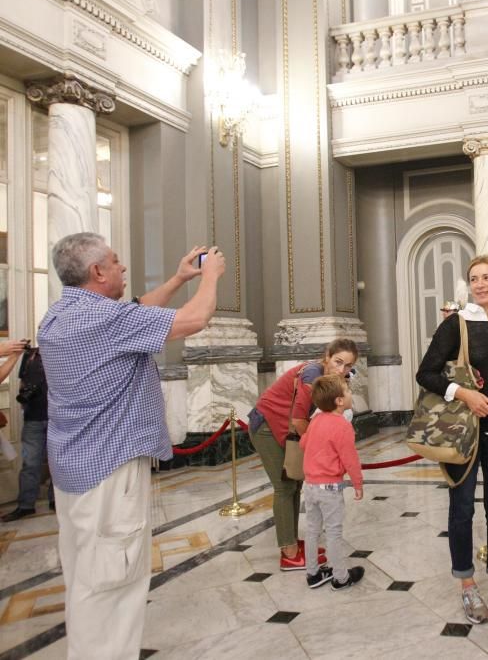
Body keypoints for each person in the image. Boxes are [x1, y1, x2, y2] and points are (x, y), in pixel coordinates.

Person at [39, 232, 224, 659]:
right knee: (114, 582)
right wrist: (209, 276)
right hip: (110, 471)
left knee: (87, 575)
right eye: (116, 261)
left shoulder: (60, 316)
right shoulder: (103, 322)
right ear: (97, 271)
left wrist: (178, 279)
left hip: (75, 472)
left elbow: (136, 313)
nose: (123, 268)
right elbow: (195, 320)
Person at [416, 255, 488, 624]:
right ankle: (466, 584)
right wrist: (465, 395)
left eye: (487, 277)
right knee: (462, 508)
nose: (480, 284)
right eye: (474, 278)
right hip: (463, 434)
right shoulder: (457, 324)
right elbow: (425, 373)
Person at [248, 338, 359, 570]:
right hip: (267, 426)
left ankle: (291, 541)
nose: (342, 370)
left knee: (295, 484)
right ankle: (288, 553)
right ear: (326, 356)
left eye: (348, 366)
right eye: (338, 362)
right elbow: (299, 419)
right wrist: (321, 447)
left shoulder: (331, 378)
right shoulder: (311, 376)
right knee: (284, 487)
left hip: (287, 430)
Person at [300, 375, 366, 591]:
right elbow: (350, 459)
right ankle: (340, 577)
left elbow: (303, 443)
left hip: (310, 486)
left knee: (312, 531)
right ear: (339, 401)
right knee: (334, 533)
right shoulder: (342, 426)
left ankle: (313, 574)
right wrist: (358, 483)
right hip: (329, 489)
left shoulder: (316, 420)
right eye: (347, 391)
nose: (350, 394)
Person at [2, 344, 54, 522]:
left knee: (57, 462)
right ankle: (25, 505)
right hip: (33, 417)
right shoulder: (30, 355)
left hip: (57, 417)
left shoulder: (63, 350)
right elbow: (22, 382)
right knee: (30, 464)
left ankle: (56, 501)